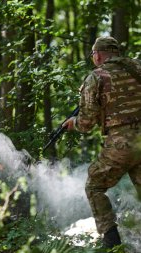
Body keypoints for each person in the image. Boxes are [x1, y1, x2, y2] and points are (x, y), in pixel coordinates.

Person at [63, 36, 141, 249]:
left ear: (97, 54)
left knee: (94, 185)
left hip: (121, 144)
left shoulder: (96, 77)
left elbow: (87, 122)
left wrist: (74, 123)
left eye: (93, 54)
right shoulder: (137, 68)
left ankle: (112, 242)